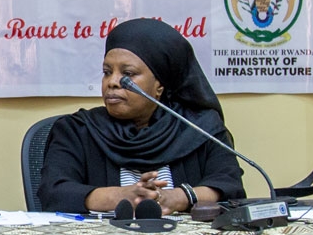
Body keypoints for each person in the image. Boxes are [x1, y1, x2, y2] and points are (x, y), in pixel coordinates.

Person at [38, 17, 245, 215]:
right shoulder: (77, 130)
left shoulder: (200, 128)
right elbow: (54, 192)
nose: (112, 82)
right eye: (107, 71)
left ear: (160, 86)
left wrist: (178, 197)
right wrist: (122, 197)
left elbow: (229, 186)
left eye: (127, 74)